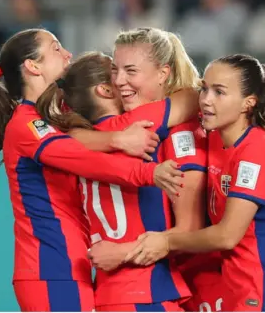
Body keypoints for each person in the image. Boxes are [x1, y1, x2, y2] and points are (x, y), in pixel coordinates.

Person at [0, 28, 183, 312]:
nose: (67, 54)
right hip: (50, 265)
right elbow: (82, 159)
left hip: (72, 266)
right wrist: (146, 169)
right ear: (33, 66)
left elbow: (77, 142)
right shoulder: (27, 124)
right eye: (56, 48)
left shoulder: (58, 119)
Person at [125, 54, 265, 312]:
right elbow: (180, 102)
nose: (205, 100)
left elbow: (227, 236)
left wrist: (167, 242)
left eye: (219, 92)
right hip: (233, 287)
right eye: (204, 88)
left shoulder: (258, 151)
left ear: (248, 103)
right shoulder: (215, 138)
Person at [35, 50, 200, 311]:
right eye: (116, 73)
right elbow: (193, 96)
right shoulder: (141, 126)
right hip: (145, 291)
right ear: (106, 91)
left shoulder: (73, 143)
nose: (123, 80)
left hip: (108, 293)